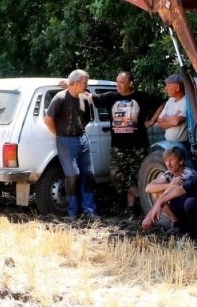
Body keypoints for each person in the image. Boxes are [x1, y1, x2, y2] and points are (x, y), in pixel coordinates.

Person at [84, 70, 160, 214]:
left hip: (139, 146)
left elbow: (161, 104)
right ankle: (141, 196)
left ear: (130, 83)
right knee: (117, 176)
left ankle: (132, 208)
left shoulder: (141, 97)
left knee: (139, 176)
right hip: (118, 146)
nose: (118, 85)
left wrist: (151, 121)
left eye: (122, 82)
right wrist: (70, 87)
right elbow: (89, 97)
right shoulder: (111, 97)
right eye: (117, 82)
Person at [45, 69, 97, 219]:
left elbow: (86, 119)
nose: (87, 85)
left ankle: (89, 210)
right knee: (72, 175)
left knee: (88, 175)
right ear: (76, 82)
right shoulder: (60, 98)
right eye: (85, 82)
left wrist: (78, 131)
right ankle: (72, 212)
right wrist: (60, 133)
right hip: (66, 140)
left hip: (82, 139)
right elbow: (48, 120)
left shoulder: (84, 98)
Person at [141, 146, 197, 231]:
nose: (168, 164)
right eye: (166, 160)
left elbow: (167, 194)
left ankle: (187, 227)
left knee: (164, 196)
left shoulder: (187, 173)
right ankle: (176, 224)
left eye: (171, 160)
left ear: (181, 161)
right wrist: (169, 185)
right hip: (181, 204)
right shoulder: (170, 173)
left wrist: (149, 216)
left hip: (192, 206)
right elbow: (148, 188)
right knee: (156, 193)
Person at [148, 74, 188, 148]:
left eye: (168, 86)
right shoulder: (170, 101)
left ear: (177, 87)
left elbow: (177, 121)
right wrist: (172, 119)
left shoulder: (186, 101)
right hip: (167, 142)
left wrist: (166, 119)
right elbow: (159, 122)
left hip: (181, 144)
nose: (166, 88)